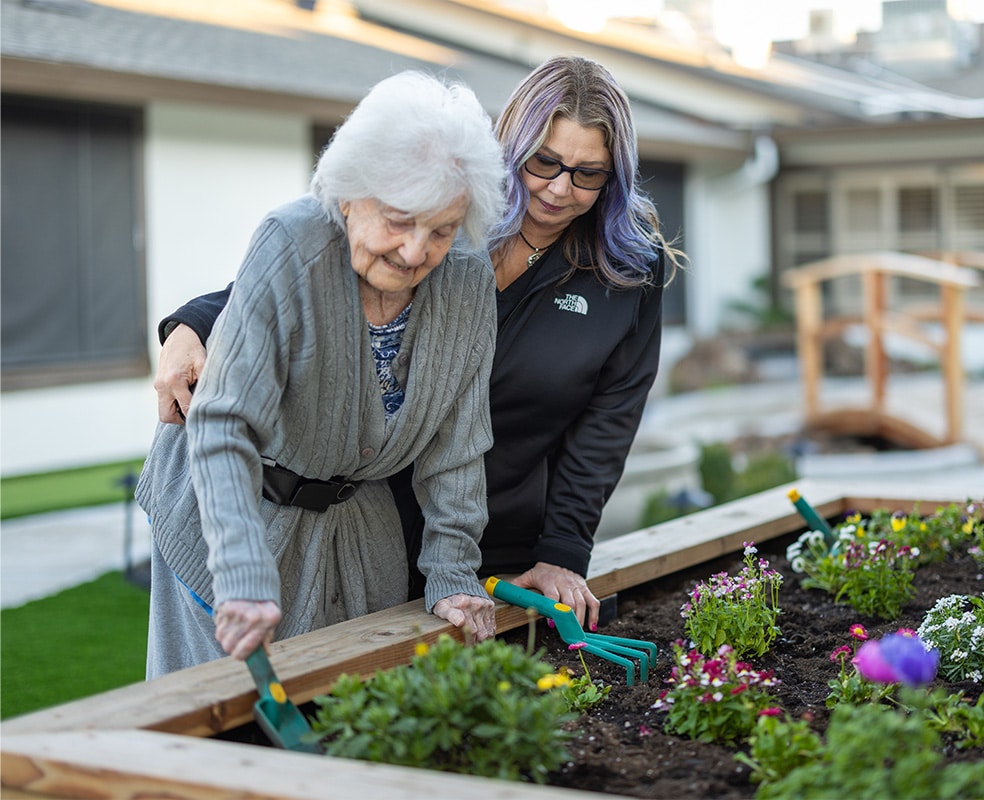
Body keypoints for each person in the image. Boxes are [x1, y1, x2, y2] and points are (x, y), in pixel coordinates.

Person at [151, 56, 685, 634]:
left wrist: (561, 548)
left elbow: (603, 424)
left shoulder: (610, 271)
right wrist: (192, 325)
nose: (560, 188)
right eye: (545, 161)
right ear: (513, 146)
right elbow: (297, 275)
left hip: (460, 520)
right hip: (350, 501)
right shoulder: (432, 218)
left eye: (588, 173)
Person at [135, 71, 504, 678]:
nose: (415, 252)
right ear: (348, 194)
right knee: (212, 714)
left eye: (439, 229)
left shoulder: (466, 280)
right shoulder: (293, 244)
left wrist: (454, 572)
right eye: (397, 220)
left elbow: (458, 447)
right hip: (230, 516)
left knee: (355, 711)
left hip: (357, 526)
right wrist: (244, 576)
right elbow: (225, 425)